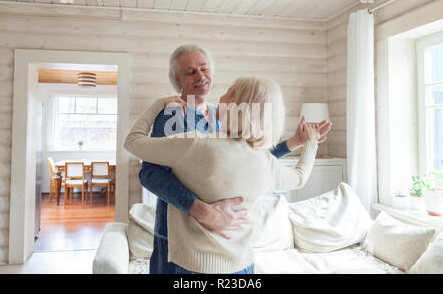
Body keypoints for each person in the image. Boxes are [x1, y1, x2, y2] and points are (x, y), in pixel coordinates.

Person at [139, 44, 331, 274]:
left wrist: (294, 142)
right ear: (177, 80)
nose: (200, 75)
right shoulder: (171, 115)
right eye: (191, 72)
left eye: (204, 68)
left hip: (225, 242)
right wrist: (199, 209)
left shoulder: (222, 115)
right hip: (178, 240)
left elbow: (249, 159)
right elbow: (149, 173)